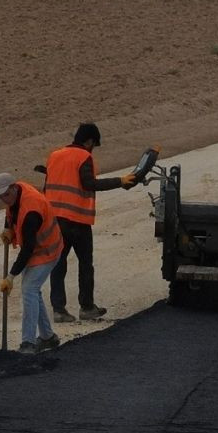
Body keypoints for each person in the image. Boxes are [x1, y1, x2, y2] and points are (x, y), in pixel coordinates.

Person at [44, 123, 137, 323]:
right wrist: (120, 181)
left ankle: (59, 310)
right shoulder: (84, 157)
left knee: (58, 265)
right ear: (89, 141)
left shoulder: (55, 155)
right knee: (86, 264)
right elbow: (89, 184)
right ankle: (86, 307)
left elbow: (47, 187)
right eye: (93, 144)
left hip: (56, 220)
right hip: (77, 221)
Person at [0, 172, 64, 354]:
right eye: (0, 197)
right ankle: (48, 337)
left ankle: (28, 343)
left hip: (48, 250)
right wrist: (8, 228)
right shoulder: (15, 195)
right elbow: (11, 211)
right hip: (36, 249)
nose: (4, 199)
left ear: (14, 187)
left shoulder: (31, 210)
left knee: (29, 290)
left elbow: (27, 249)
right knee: (32, 291)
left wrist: (10, 276)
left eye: (6, 195)